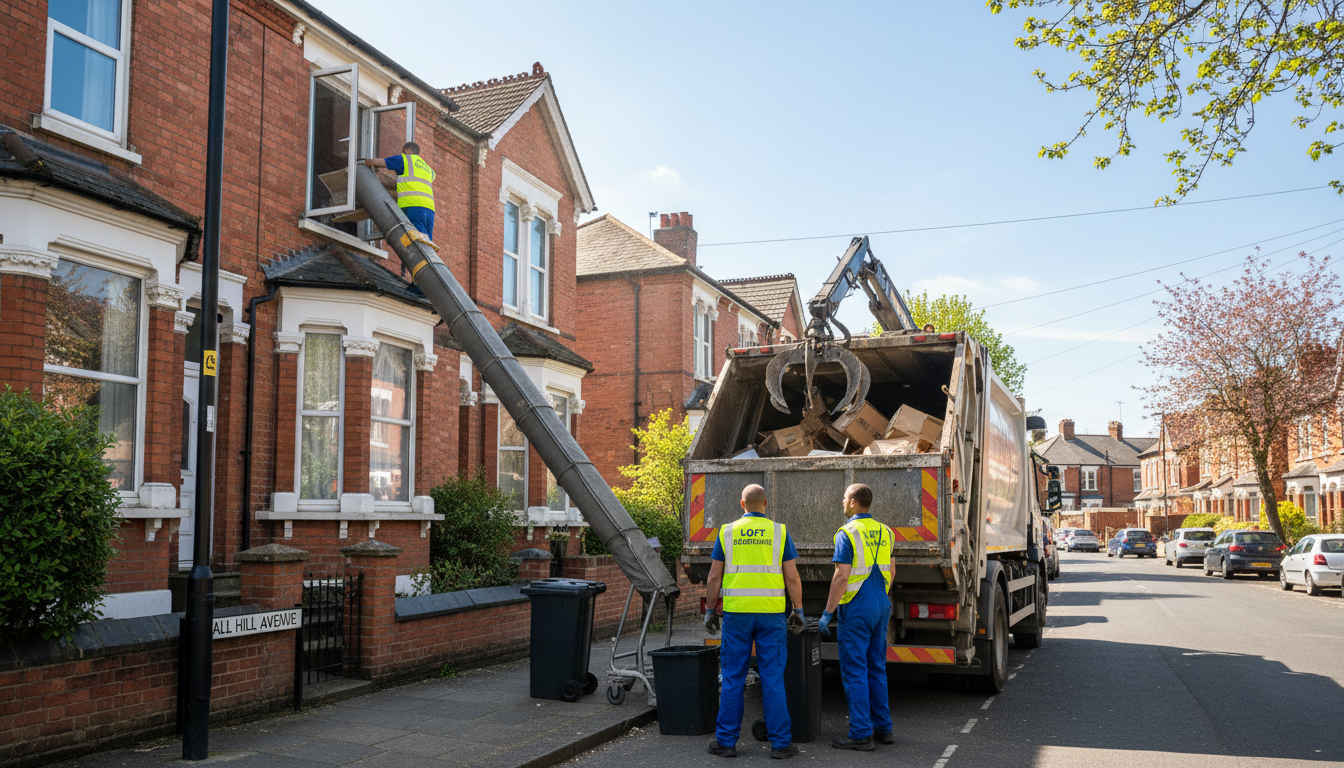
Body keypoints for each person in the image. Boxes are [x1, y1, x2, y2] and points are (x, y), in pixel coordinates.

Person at [703, 484, 805, 759]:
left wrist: (710, 610)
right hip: (771, 614)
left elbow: (714, 576)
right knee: (772, 678)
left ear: (742, 504)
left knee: (734, 678)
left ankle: (726, 743)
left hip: (737, 615)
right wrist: (798, 609)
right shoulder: (779, 532)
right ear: (766, 503)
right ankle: (781, 744)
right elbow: (792, 577)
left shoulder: (727, 532)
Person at [819, 483, 896, 750]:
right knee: (876, 666)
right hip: (880, 602)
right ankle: (883, 728)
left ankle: (861, 734)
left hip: (857, 606)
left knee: (855, 670)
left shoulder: (847, 533)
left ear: (853, 502)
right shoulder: (886, 531)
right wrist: (879, 597)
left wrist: (828, 612)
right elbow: (891, 569)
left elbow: (841, 576)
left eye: (844, 498)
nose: (842, 502)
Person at [363, 142, 435, 240]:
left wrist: (367, 162)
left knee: (418, 242)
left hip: (413, 206)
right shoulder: (428, 169)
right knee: (428, 243)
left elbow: (378, 162)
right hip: (429, 209)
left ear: (405, 151)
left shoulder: (404, 159)